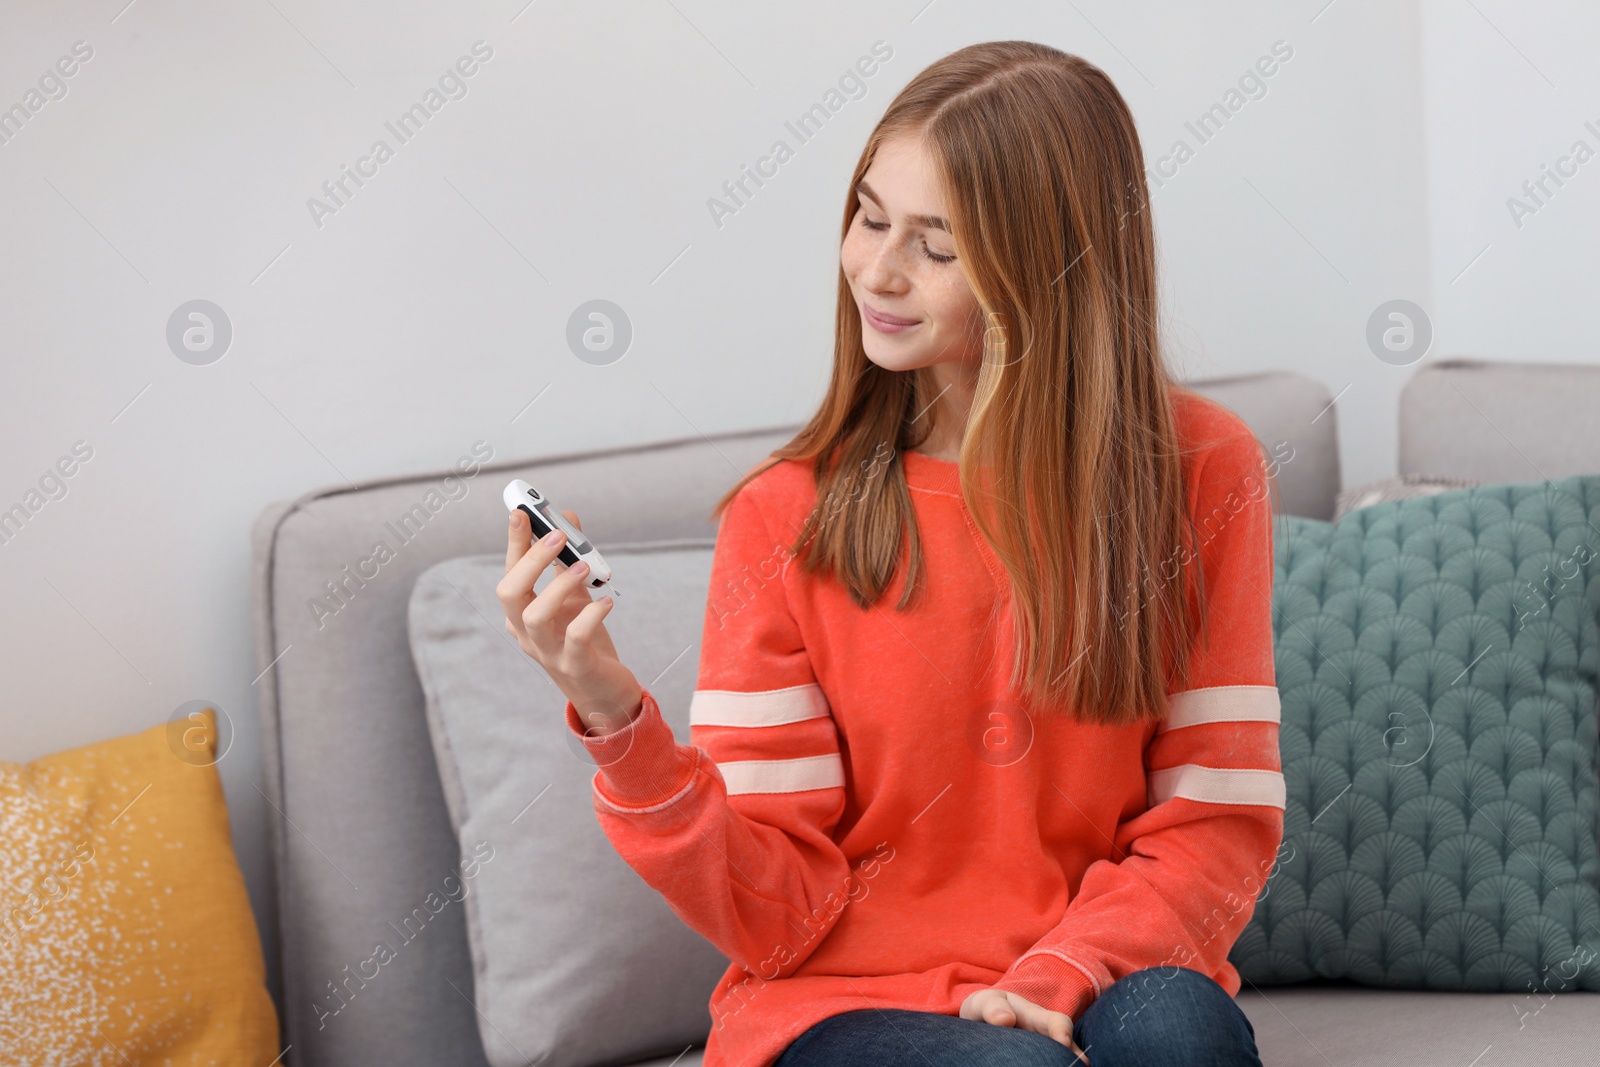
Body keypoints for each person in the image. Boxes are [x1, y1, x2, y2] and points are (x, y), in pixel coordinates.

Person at [498, 39, 1283, 1067]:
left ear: (1053, 265)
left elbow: (1211, 826)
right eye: (868, 217)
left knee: (1180, 1032)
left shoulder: (1202, 471)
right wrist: (611, 712)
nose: (877, 268)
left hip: (1101, 971)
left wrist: (1060, 970)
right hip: (837, 1005)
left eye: (937, 245)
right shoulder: (785, 516)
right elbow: (774, 910)